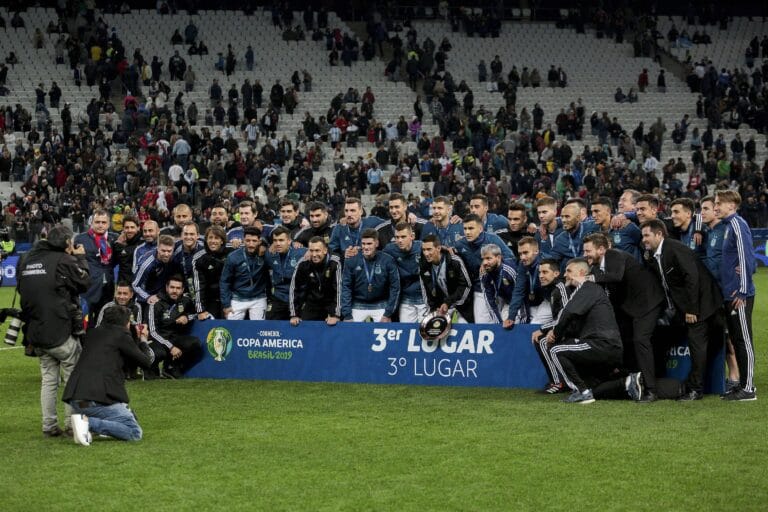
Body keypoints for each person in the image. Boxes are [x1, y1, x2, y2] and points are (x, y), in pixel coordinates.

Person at [18, 225, 91, 437]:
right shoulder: (64, 260)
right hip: (60, 331)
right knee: (72, 377)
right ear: (67, 243)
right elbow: (85, 282)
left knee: (49, 380)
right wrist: (80, 258)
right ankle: (72, 425)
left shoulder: (28, 260)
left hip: (35, 331)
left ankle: (49, 426)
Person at [640, 219, 723, 401]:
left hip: (701, 304)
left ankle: (695, 390)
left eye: (647, 235)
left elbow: (692, 278)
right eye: (642, 235)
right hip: (681, 307)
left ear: (659, 234)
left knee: (697, 345)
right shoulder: (654, 254)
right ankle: (667, 383)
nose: (643, 239)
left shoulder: (675, 248)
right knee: (668, 338)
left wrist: (692, 309)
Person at [582, 233, 665, 401]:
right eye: (584, 251)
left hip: (649, 302)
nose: (585, 255)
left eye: (588, 250)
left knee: (641, 340)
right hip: (631, 309)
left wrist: (587, 278)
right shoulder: (598, 268)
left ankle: (651, 390)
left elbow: (616, 276)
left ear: (601, 249)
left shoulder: (614, 254)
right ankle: (631, 380)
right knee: (622, 340)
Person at [64, 305, 154, 445]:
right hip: (96, 400)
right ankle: (87, 423)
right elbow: (146, 362)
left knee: (128, 412)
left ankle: (89, 426)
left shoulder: (92, 333)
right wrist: (143, 339)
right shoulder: (121, 335)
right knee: (134, 431)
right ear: (125, 323)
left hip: (78, 400)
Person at [547, 258, 623, 404]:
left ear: (581, 272)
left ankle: (582, 391)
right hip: (605, 345)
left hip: (602, 344)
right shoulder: (591, 290)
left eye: (569, 271)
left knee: (555, 350)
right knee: (565, 348)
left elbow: (567, 313)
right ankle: (592, 387)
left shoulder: (586, 287)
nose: (565, 275)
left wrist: (555, 334)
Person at [715, 191, 757, 401]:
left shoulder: (738, 224)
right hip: (730, 293)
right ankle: (742, 385)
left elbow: (746, 256)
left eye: (718, 203)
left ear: (731, 204)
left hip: (739, 295)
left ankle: (749, 388)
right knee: (737, 339)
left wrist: (743, 290)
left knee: (743, 340)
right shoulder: (729, 226)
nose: (715, 207)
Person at [454, 214, 514, 323]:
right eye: (465, 228)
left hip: (500, 287)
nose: (467, 232)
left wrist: (489, 262)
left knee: (503, 322)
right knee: (481, 324)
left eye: (471, 228)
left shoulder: (493, 239)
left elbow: (510, 257)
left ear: (481, 228)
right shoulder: (460, 245)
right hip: (479, 289)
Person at [147, 275, 203, 378]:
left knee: (195, 343)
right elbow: (153, 332)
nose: (174, 291)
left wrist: (187, 317)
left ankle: (171, 367)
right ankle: (151, 369)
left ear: (182, 290)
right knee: (158, 353)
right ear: (166, 288)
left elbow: (197, 314)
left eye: (178, 288)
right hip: (158, 340)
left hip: (175, 338)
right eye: (172, 287)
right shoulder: (155, 304)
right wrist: (171, 347)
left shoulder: (186, 301)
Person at [341, 228, 400, 322]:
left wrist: (388, 313)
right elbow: (346, 287)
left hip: (381, 304)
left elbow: (395, 287)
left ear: (376, 244)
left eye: (369, 244)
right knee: (350, 333)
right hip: (358, 304)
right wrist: (347, 314)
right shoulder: (352, 260)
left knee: (385, 330)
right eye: (363, 244)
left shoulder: (388, 260)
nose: (366, 247)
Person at [530, 259, 570, 393]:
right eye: (540, 272)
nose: (541, 275)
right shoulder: (553, 289)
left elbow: (565, 316)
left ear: (556, 273)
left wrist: (544, 329)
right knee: (540, 340)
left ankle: (558, 383)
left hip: (573, 330)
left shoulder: (561, 288)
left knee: (542, 341)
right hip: (563, 328)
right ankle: (556, 381)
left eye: (545, 272)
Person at [419, 234, 473, 323]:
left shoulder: (454, 261)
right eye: (424, 250)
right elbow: (426, 292)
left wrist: (450, 304)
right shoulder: (423, 267)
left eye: (429, 249)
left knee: (461, 327)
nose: (426, 253)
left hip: (460, 306)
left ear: (438, 248)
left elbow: (466, 286)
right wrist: (433, 311)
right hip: (441, 309)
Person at [74, 209, 116, 324]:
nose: (100, 225)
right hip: (88, 288)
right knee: (86, 321)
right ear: (91, 223)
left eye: (103, 222)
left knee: (105, 321)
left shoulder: (114, 239)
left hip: (108, 288)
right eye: (97, 222)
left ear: (108, 224)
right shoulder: (80, 239)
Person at [289, 237, 342, 325]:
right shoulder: (303, 263)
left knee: (333, 330)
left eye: (317, 250)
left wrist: (335, 314)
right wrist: (294, 314)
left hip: (330, 304)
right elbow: (294, 288)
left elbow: (338, 290)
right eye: (311, 250)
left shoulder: (335, 263)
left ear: (325, 250)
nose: (314, 254)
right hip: (312, 304)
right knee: (303, 330)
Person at [220, 226, 268, 320]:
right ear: (243, 240)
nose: (251, 244)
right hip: (238, 297)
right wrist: (226, 305)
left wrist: (266, 245)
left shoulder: (265, 255)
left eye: (254, 241)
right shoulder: (233, 257)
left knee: (259, 329)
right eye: (248, 240)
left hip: (258, 298)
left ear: (259, 241)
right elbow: (225, 281)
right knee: (232, 329)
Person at [383, 222, 428, 322]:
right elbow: (376, 256)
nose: (399, 240)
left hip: (424, 299)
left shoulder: (422, 247)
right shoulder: (389, 249)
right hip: (406, 299)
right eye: (397, 237)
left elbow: (438, 252)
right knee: (406, 331)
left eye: (403, 237)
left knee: (426, 332)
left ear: (412, 236)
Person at [265, 226, 307, 320]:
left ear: (289, 241)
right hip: (279, 297)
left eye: (281, 240)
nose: (277, 243)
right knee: (269, 324)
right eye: (275, 240)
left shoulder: (302, 252)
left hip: (298, 297)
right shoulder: (270, 255)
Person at [192, 226, 229, 319]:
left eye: (216, 238)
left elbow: (249, 246)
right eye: (210, 238)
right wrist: (200, 310)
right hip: (211, 301)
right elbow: (199, 286)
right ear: (206, 240)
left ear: (222, 241)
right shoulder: (198, 259)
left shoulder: (231, 251)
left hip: (231, 299)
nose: (213, 241)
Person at [132, 235, 178, 306]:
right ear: (157, 248)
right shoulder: (146, 264)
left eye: (169, 251)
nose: (166, 254)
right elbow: (135, 285)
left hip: (165, 294)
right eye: (163, 251)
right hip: (149, 297)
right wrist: (148, 297)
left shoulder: (174, 257)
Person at [479, 244, 517, 328]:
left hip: (519, 302)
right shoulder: (484, 273)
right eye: (483, 259)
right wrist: (498, 323)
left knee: (518, 323)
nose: (484, 263)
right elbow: (489, 300)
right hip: (505, 300)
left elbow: (521, 293)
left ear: (498, 258)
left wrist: (516, 316)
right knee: (501, 324)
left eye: (488, 258)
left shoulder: (509, 269)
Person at [112, 215, 143, 284]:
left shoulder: (143, 243)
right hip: (123, 285)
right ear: (123, 228)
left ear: (138, 228)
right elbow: (113, 263)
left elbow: (126, 261)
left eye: (132, 227)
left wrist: (119, 246)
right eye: (127, 227)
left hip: (138, 286)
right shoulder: (119, 244)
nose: (129, 230)